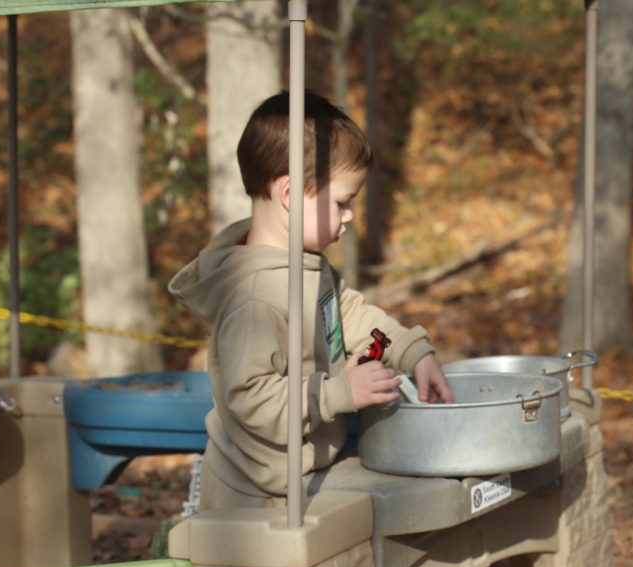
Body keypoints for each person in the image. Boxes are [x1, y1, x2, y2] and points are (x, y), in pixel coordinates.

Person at [170, 91, 451, 509]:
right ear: (290, 194)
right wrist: (337, 393)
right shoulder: (254, 297)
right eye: (341, 202)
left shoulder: (307, 265)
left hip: (308, 471)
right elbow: (250, 398)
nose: (350, 216)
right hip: (255, 495)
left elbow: (350, 316)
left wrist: (411, 352)